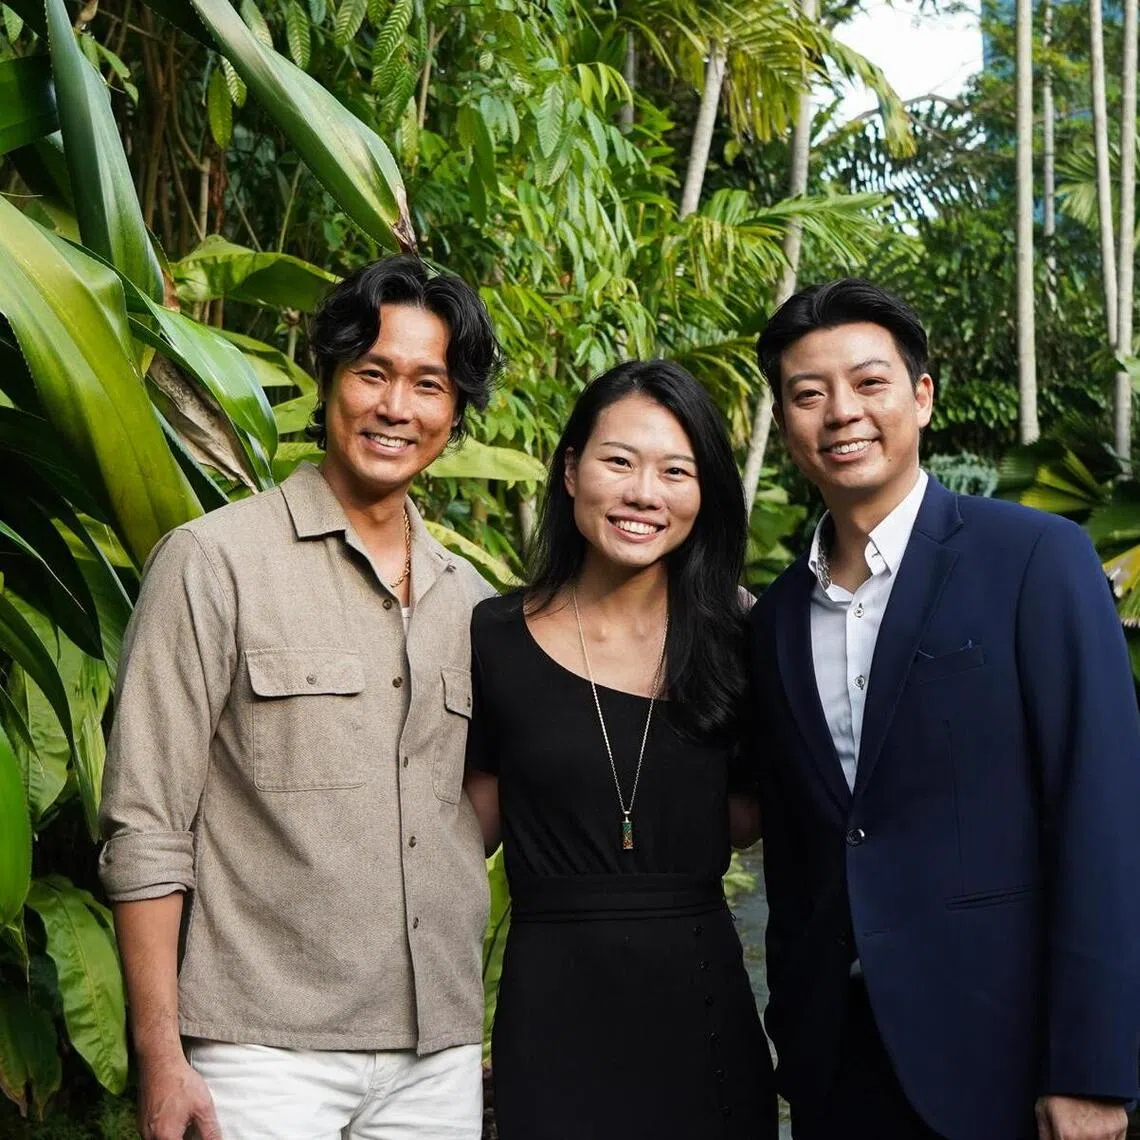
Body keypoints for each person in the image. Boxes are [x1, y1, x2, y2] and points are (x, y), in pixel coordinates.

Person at [99, 255, 501, 1140]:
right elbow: (145, 823)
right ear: (328, 381)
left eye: (428, 384)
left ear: (455, 411)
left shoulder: (470, 602)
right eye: (373, 374)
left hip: (434, 1054)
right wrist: (162, 1057)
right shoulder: (214, 563)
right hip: (260, 1050)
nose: (397, 407)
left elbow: (467, 805)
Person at [746, 278, 1140, 1140]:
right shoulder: (773, 617)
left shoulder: (1036, 558)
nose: (841, 412)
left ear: (922, 397)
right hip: (836, 1069)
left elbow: (1102, 813)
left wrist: (1091, 1066)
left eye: (869, 383)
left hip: (1005, 1062)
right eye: (809, 395)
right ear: (785, 425)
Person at [463, 360, 777, 1140]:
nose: (645, 494)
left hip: (701, 1005)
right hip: (551, 1011)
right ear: (571, 471)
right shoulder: (490, 638)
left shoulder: (743, 640)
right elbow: (457, 841)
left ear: (703, 496)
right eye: (619, 462)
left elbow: (755, 817)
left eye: (676, 470)